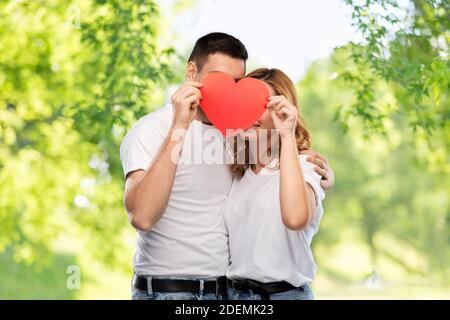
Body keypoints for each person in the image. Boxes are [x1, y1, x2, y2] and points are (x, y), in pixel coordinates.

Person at [120, 33, 334, 300]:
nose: (226, 90)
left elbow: (281, 179)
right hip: (168, 290)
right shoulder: (150, 130)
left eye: (235, 83)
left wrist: (313, 166)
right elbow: (141, 217)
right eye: (217, 78)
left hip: (226, 293)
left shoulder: (236, 136)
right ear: (191, 72)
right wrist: (179, 127)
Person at [226, 68, 326, 300]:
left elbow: (295, 218)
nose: (251, 113)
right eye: (245, 104)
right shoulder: (239, 173)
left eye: (262, 106)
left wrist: (287, 135)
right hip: (236, 296)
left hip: (282, 295)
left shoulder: (306, 165)